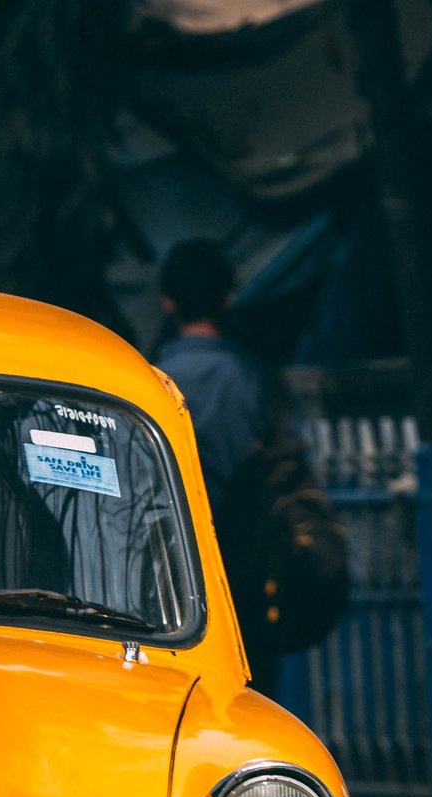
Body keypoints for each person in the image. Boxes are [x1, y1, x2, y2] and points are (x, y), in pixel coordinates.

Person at [151, 238, 288, 694]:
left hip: (165, 573)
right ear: (228, 298)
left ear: (168, 302)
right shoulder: (256, 380)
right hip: (245, 565)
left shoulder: (149, 380)